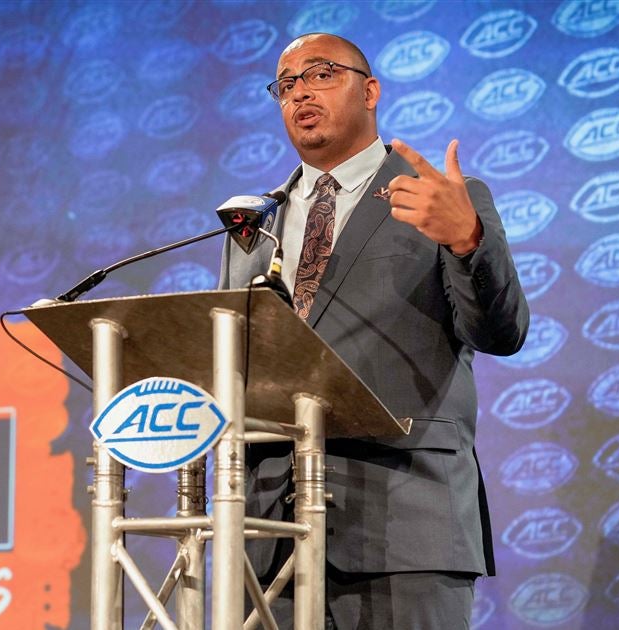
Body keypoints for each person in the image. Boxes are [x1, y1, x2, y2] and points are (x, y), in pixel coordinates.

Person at [218, 33, 530, 629]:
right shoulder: (254, 223)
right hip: (267, 534)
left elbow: (501, 331)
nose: (300, 92)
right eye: (286, 85)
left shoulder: (443, 200)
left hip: (405, 524)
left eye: (321, 74)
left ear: (370, 91)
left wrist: (468, 242)